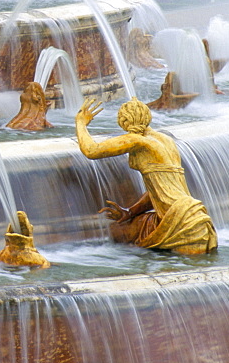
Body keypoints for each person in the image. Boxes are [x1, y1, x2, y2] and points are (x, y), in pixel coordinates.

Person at [75, 96, 217, 255]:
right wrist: (130, 212)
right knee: (123, 233)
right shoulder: (166, 141)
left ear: (124, 121)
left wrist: (81, 123)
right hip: (192, 213)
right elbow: (161, 189)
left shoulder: (138, 141)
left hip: (180, 221)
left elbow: (91, 150)